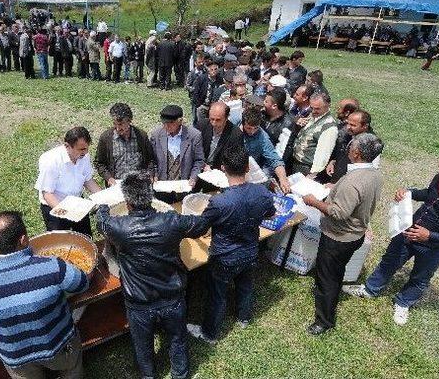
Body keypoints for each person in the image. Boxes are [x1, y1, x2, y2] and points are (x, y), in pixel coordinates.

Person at [95, 172, 206, 379]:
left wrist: (102, 205)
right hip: (172, 297)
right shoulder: (171, 220)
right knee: (177, 339)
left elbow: (101, 221)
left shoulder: (117, 227)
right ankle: (180, 375)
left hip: (139, 302)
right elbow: (199, 226)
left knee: (142, 345)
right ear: (151, 197)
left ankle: (148, 376)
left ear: (127, 202)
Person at [0, 211, 88, 379]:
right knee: (71, 371)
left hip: (15, 357)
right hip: (58, 346)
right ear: (23, 239)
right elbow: (81, 284)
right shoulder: (53, 266)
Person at [343, 150, 439, 326]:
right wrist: (408, 192)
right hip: (408, 230)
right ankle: (371, 289)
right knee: (389, 261)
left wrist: (429, 235)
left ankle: (403, 302)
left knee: (421, 276)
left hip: (435, 248)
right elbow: (428, 194)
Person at [187, 144, 275, 344]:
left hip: (224, 257)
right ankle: (244, 317)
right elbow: (270, 213)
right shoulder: (262, 192)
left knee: (217, 295)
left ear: (224, 168)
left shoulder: (219, 202)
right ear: (247, 168)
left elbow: (200, 228)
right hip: (251, 250)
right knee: (245, 285)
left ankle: (209, 333)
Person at [302, 133, 384, 335]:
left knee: (327, 278)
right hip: (355, 235)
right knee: (335, 272)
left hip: (338, 237)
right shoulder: (375, 174)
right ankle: (331, 292)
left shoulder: (353, 181)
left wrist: (313, 201)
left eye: (350, 147)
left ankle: (324, 321)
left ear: (356, 153)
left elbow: (338, 213)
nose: (347, 149)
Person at [35, 126, 102, 235]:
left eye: (87, 148)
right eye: (81, 149)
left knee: (85, 238)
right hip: (55, 206)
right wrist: (66, 213)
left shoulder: (84, 155)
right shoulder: (51, 161)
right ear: (67, 146)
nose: (85, 152)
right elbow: (47, 194)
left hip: (77, 203)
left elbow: (88, 180)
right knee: (60, 245)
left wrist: (103, 197)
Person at [150, 105, 204, 201]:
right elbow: (152, 159)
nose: (167, 126)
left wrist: (193, 177)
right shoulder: (156, 135)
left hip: (183, 187)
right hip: (162, 188)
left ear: (180, 121)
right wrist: (154, 174)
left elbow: (199, 160)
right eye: (164, 123)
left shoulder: (194, 135)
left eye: (171, 123)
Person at [94, 103, 155, 187]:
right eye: (115, 124)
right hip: (116, 186)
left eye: (121, 124)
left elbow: (150, 160)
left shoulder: (141, 136)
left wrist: (150, 174)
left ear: (129, 121)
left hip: (138, 186)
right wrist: (109, 178)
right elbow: (99, 163)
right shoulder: (106, 138)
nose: (118, 128)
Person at [241, 107, 292, 193]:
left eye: (256, 128)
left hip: (251, 172)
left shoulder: (262, 136)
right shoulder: (234, 131)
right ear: (243, 124)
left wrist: (283, 179)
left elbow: (274, 159)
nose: (252, 132)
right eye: (249, 128)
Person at [291, 90, 338, 176]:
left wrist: (312, 175)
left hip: (307, 168)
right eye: (311, 107)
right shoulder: (313, 115)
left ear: (328, 106)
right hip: (296, 162)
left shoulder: (330, 128)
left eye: (317, 109)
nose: (313, 111)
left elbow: (323, 155)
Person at [325, 109, 373, 183]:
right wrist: (333, 161)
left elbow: (364, 171)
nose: (348, 127)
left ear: (365, 126)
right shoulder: (348, 134)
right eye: (348, 123)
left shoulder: (370, 144)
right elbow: (342, 151)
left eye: (353, 125)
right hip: (337, 178)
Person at [196, 102, 244, 172]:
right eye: (212, 119)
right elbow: (193, 149)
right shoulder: (202, 125)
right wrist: (203, 165)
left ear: (227, 117)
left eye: (218, 120)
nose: (214, 123)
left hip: (219, 173)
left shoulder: (236, 134)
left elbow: (236, 158)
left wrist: (227, 166)